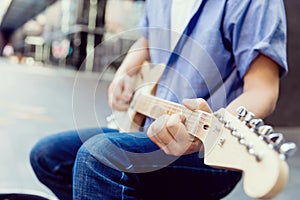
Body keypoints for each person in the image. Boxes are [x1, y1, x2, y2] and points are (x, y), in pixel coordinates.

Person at [30, 0, 288, 199]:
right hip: (146, 129)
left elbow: (263, 90)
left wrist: (210, 134)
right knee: (47, 155)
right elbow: (147, 39)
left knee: (98, 157)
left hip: (208, 151)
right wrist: (125, 72)